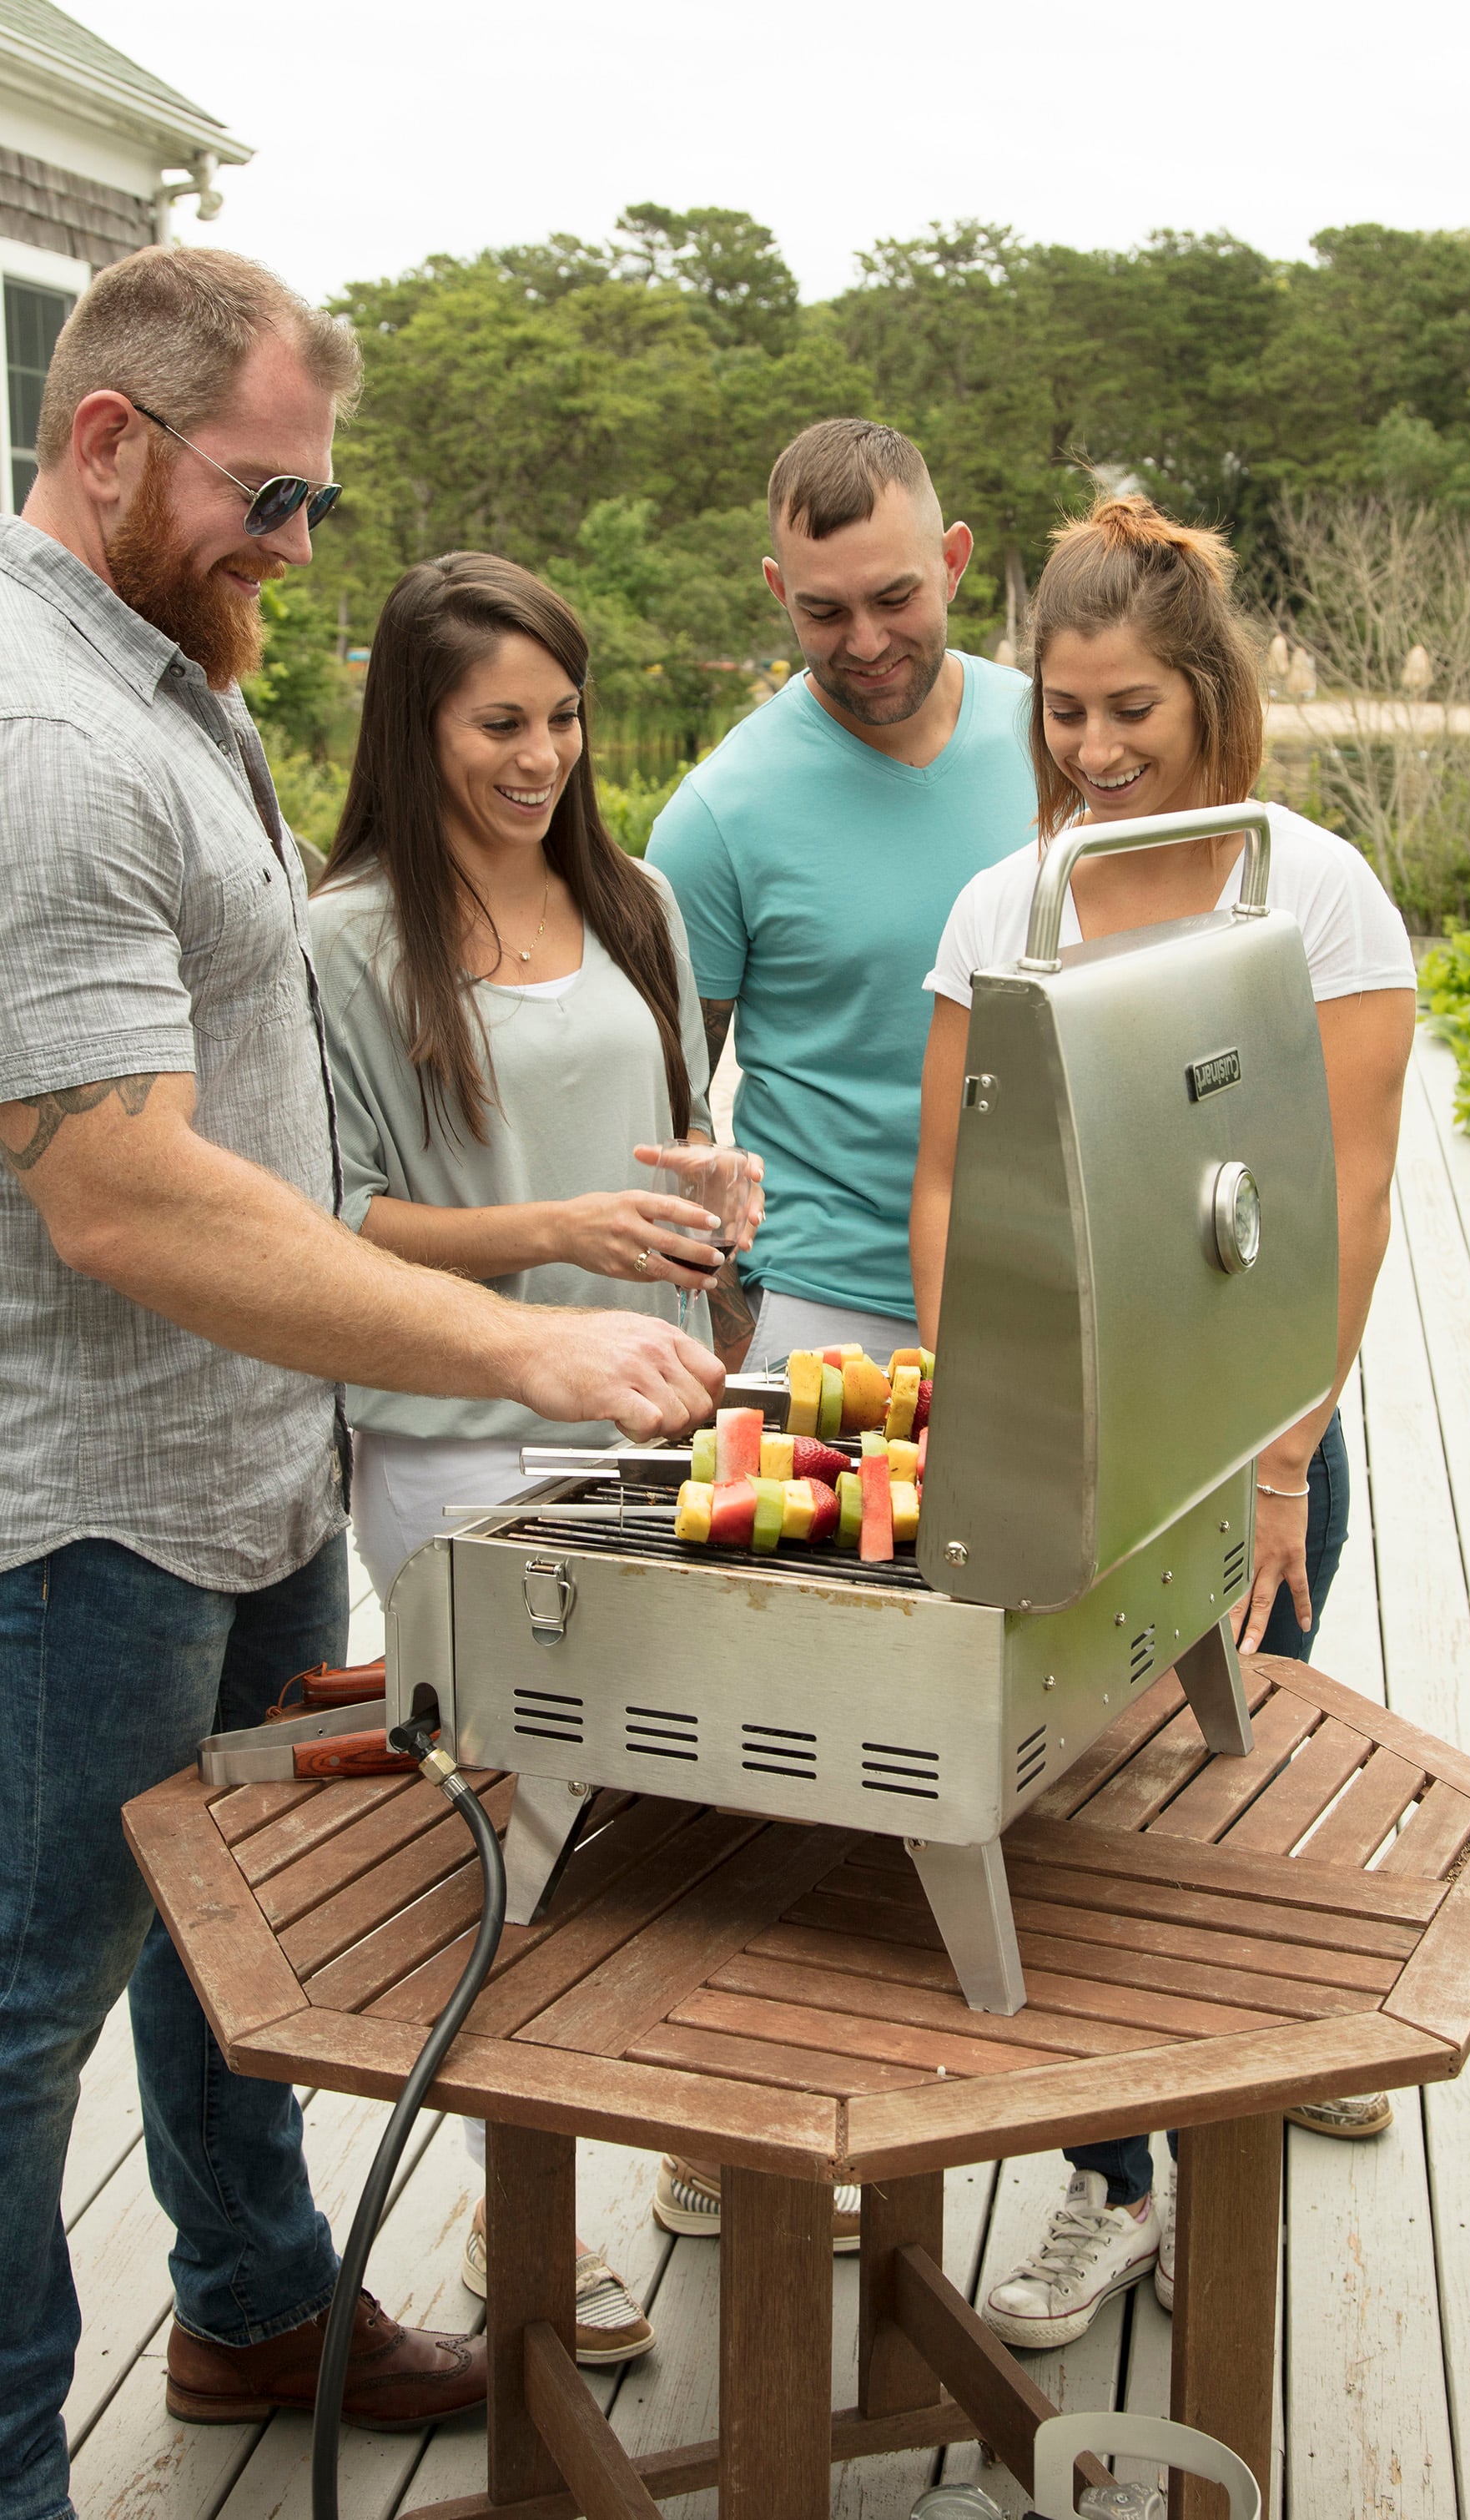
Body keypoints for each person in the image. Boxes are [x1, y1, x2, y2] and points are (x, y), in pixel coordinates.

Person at [0, 247, 721, 2520]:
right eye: (269, 497)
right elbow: (119, 1194)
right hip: (83, 1508)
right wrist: (522, 1330)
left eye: (318, 503)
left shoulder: (161, 677)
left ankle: (254, 2302)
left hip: (247, 1469)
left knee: (251, 1941)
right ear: (108, 442)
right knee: (28, 2010)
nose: (299, 551)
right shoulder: (43, 740)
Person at [912, 491, 1416, 2351]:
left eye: (1131, 709)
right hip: (1055, 1436)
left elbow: (1342, 1203)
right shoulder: (1006, 899)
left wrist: (1281, 1463)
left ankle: (1239, 2121)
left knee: (1213, 1822)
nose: (1095, 750)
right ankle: (1112, 2185)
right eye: (1061, 710)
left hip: (1250, 1443)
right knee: (1060, 1827)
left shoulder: (1306, 888)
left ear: (1207, 697)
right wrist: (979, 1412)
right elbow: (950, 1184)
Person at [310, 550, 762, 2353]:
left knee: (677, 1817)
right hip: (447, 1452)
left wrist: (711, 1205)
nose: (543, 754)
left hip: (647, 1425)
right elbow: (325, 1225)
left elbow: (676, 1149)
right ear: (414, 728)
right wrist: (545, 1234)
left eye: (563, 716)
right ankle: (524, 2219)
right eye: (501, 722)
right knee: (519, 1841)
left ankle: (688, 2138)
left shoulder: (635, 900)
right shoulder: (341, 941)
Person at [647, 416, 1040, 1373]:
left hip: (1054, 1287)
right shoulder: (716, 814)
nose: (865, 642)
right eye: (823, 612)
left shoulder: (1056, 735)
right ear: (779, 590)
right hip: (830, 1310)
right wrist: (742, 1325)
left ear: (953, 563)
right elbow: (665, 1101)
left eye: (894, 596)